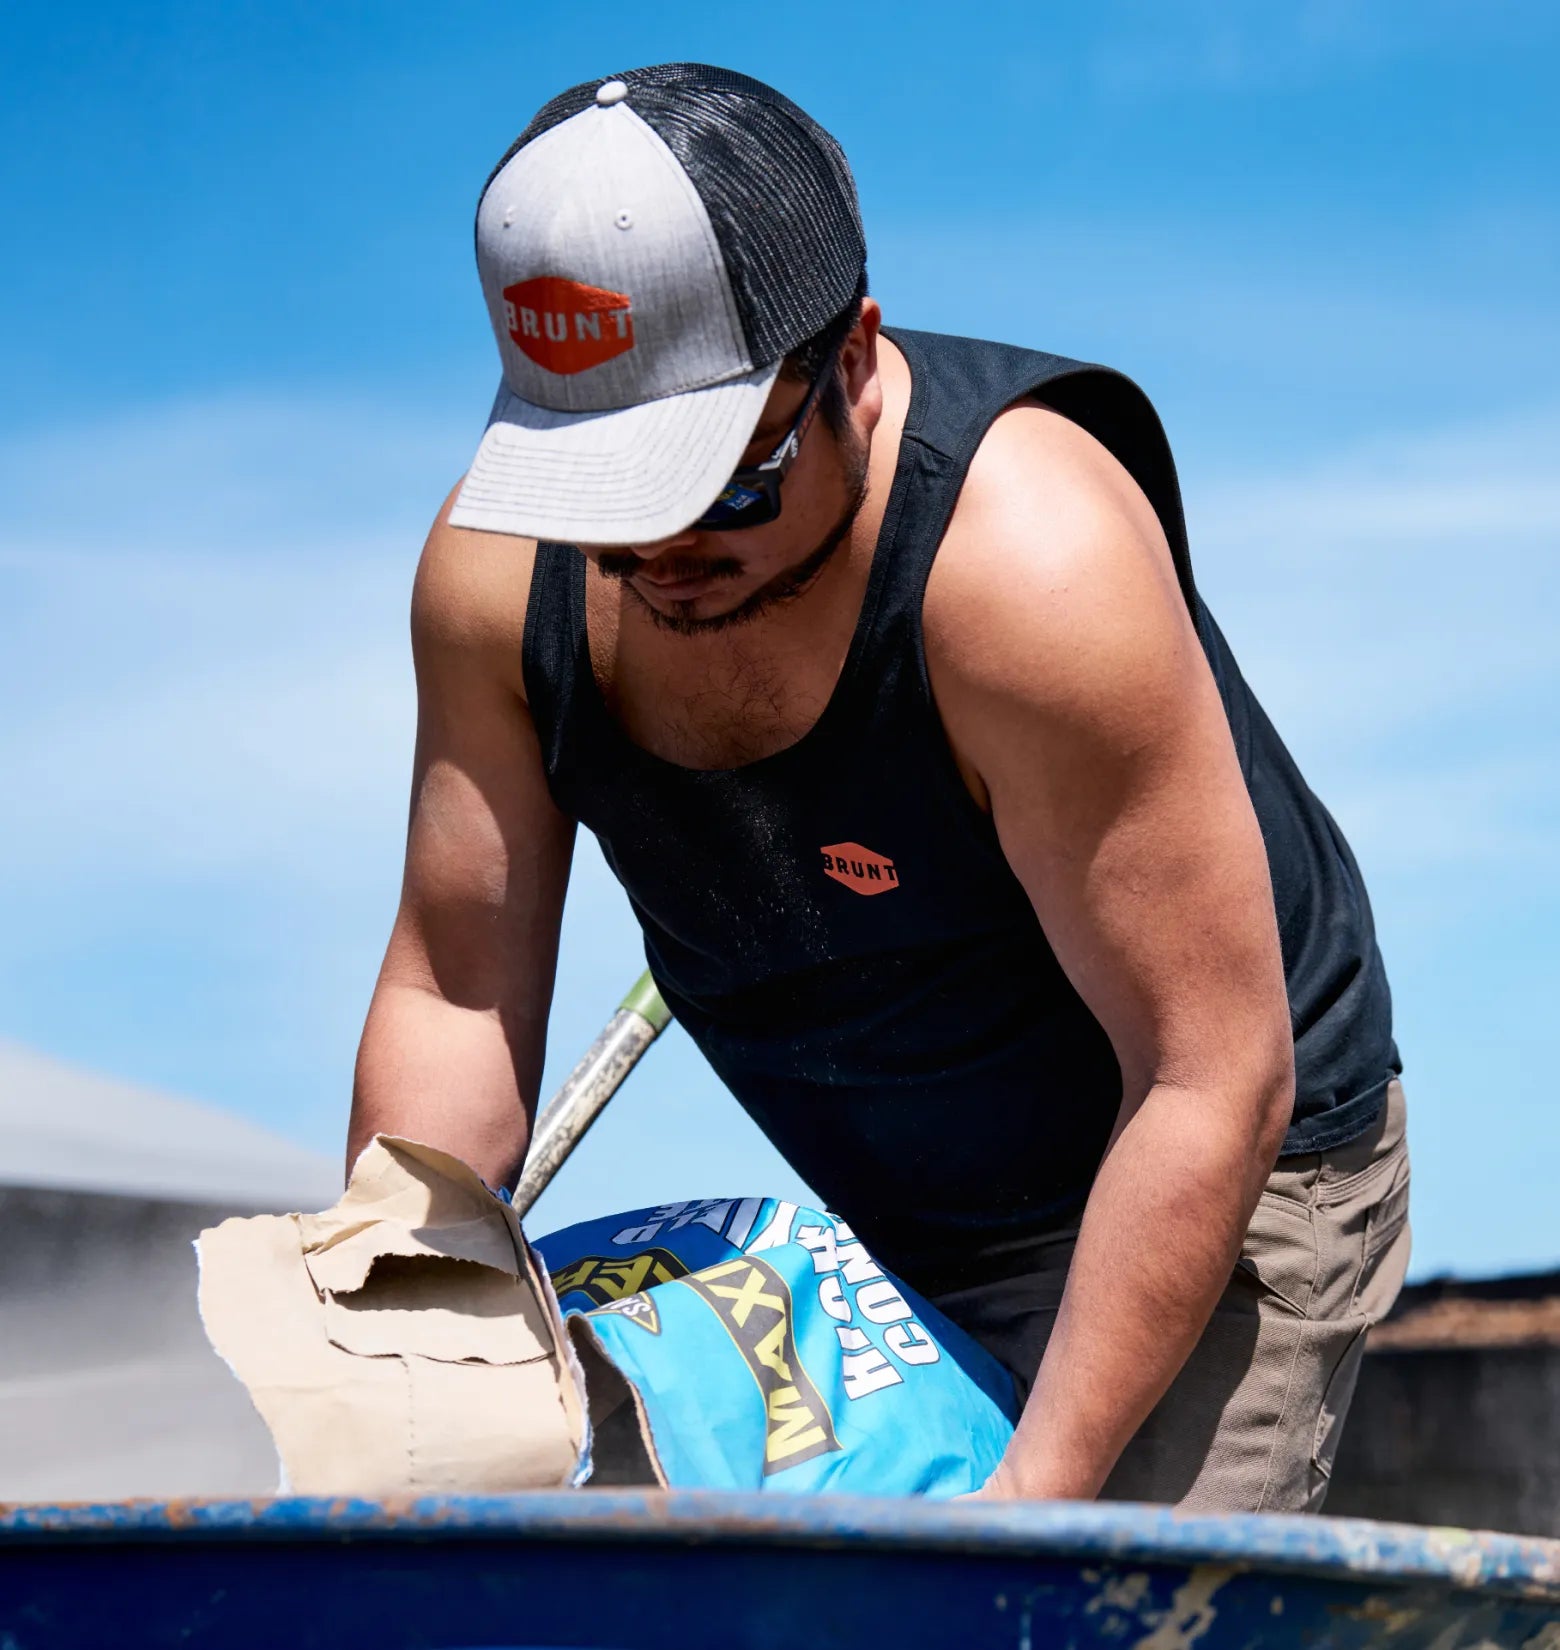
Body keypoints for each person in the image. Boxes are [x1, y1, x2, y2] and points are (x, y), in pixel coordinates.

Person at [348, 62, 1410, 1511]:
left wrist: (1028, 1509)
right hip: (891, 1197)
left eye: (719, 480)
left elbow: (1209, 1074)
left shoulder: (1033, 571)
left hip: (1214, 1156)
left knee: (1065, 1607)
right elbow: (457, 996)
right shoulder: (490, 584)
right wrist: (394, 1345)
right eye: (606, 506)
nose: (658, 550)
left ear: (851, 355)